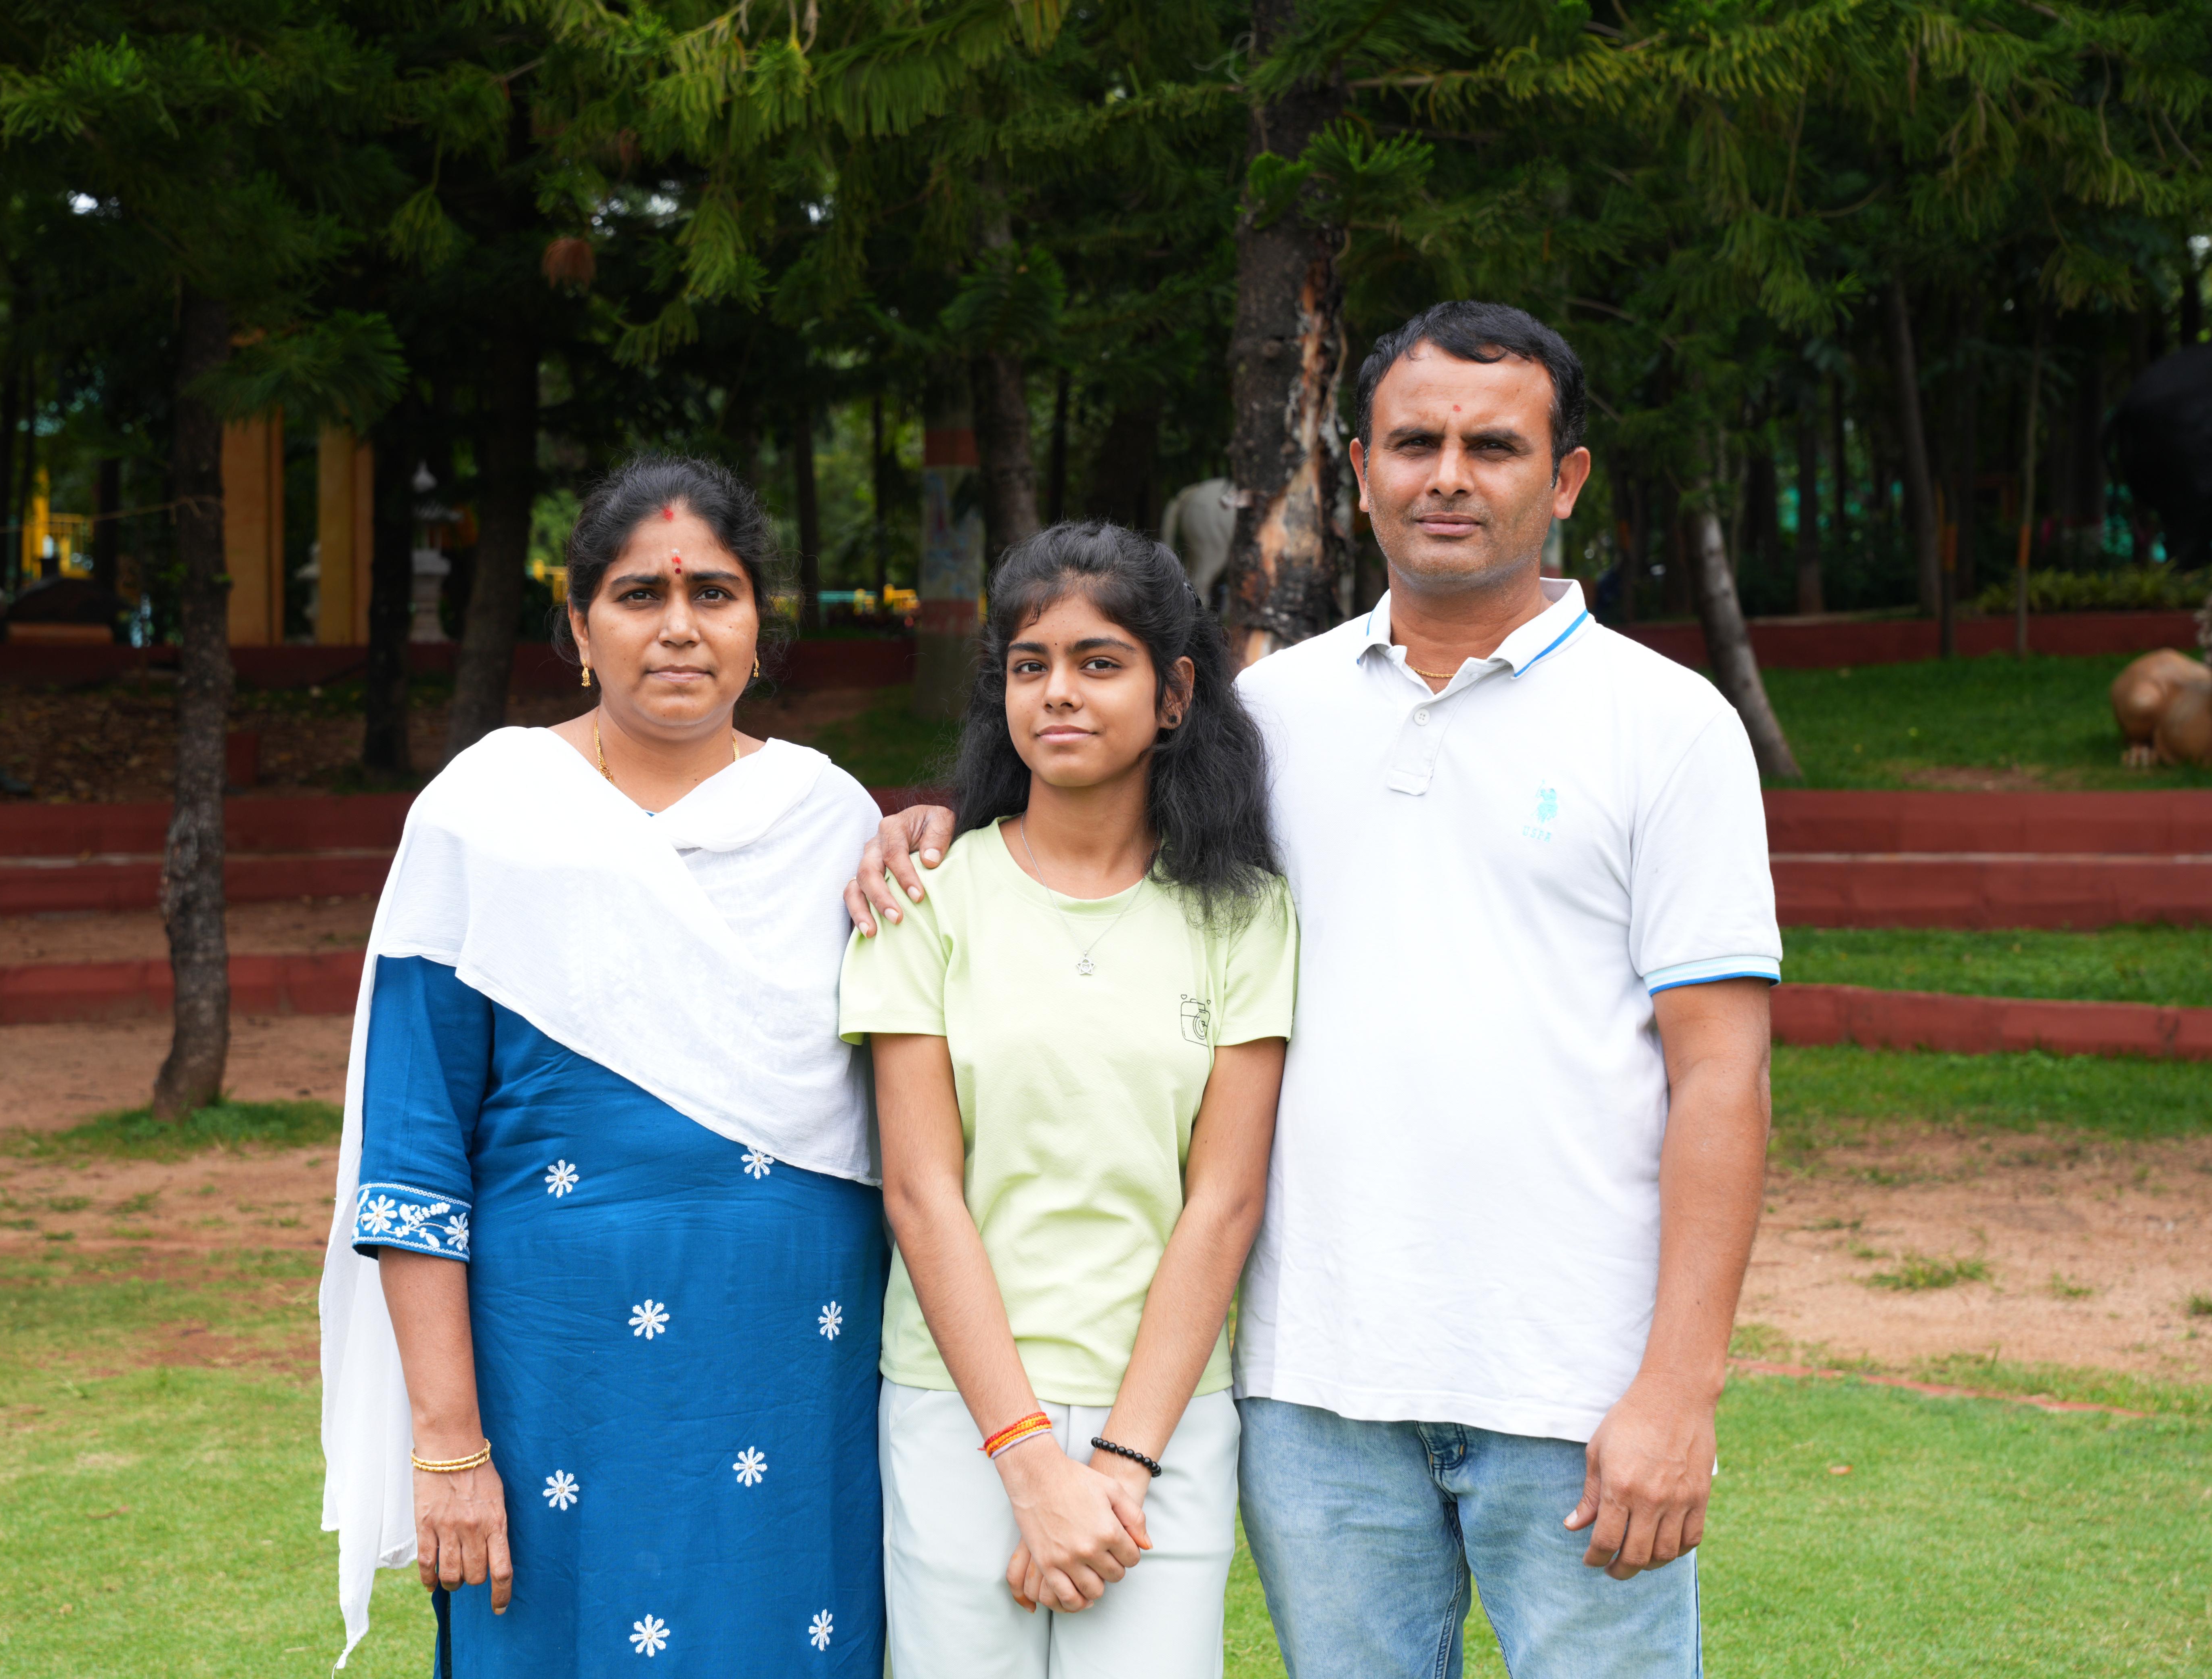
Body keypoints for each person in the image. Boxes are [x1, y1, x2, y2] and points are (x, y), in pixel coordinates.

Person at [851, 302, 1779, 1677]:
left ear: (1566, 478)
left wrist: (1679, 1391)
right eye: (1413, 443)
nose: (1447, 476)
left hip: (1573, 1388)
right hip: (1316, 1397)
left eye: (1493, 446)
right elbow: (1074, 822)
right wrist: (930, 827)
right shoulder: (1275, 718)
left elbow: (1723, 1075)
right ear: (1359, 469)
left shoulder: (1670, 725)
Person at [319, 455, 891, 1675]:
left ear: (758, 626)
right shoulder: (488, 815)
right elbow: (412, 1154)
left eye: (715, 594)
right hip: (552, 1380)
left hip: (798, 1372)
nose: (680, 628)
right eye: (640, 595)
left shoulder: (833, 821)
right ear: (580, 627)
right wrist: (449, 1445)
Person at [839, 522, 1297, 1679]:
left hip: (1166, 1416)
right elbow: (922, 1194)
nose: (1059, 692)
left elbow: (1224, 1204)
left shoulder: (1245, 914)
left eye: (1100, 663)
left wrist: (1123, 1465)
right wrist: (1029, 1461)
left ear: (1173, 693)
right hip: (957, 1407)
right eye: (1030, 664)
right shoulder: (924, 897)